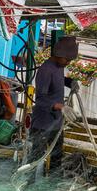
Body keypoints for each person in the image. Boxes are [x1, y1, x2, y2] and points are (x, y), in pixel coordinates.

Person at [28, 36, 80, 180]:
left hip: (55, 123)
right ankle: (26, 187)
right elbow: (40, 100)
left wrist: (70, 82)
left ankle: (52, 187)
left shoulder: (59, 67)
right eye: (67, 60)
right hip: (42, 124)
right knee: (34, 159)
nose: (68, 63)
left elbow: (59, 81)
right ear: (58, 55)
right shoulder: (46, 70)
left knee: (56, 158)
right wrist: (60, 106)